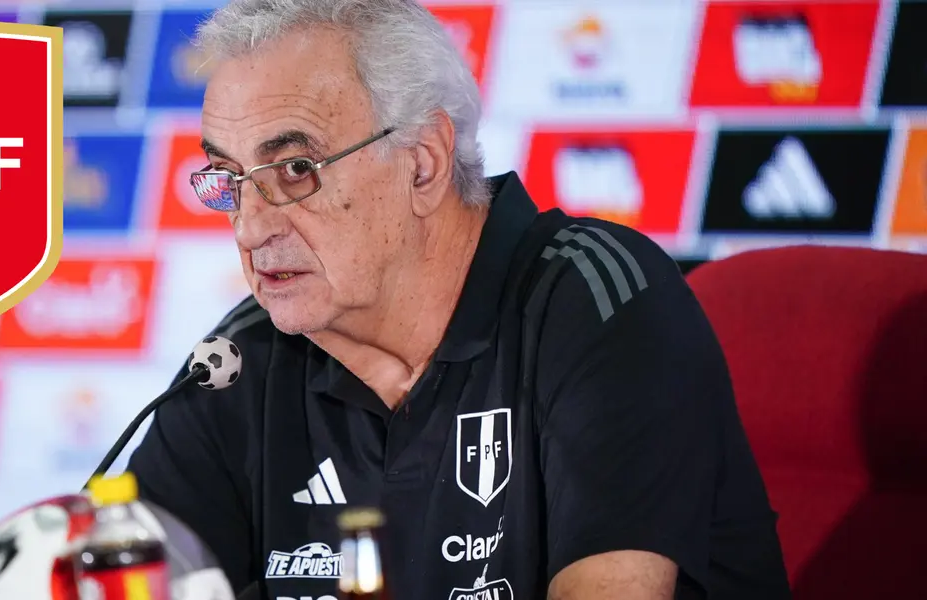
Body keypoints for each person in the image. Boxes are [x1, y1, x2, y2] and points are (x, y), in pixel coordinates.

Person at [128, 1, 791, 598]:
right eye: (229, 178)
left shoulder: (595, 300)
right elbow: (121, 578)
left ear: (423, 162)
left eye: (296, 169)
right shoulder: (241, 363)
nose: (249, 226)